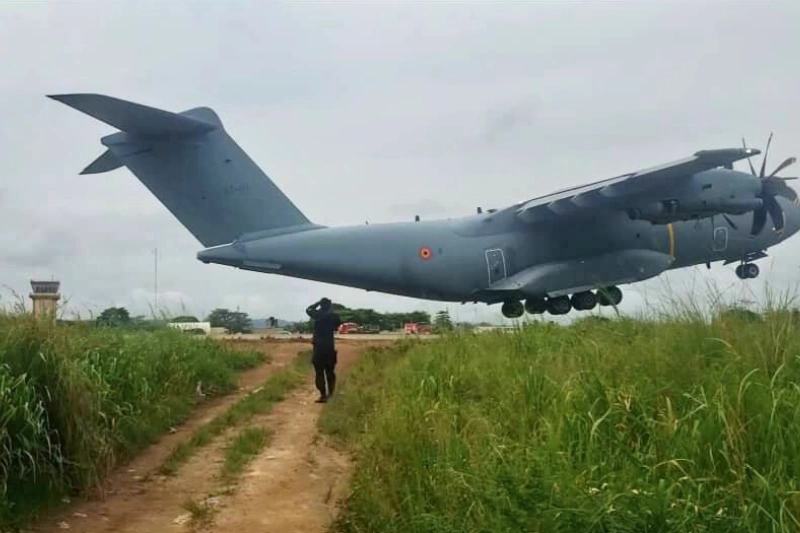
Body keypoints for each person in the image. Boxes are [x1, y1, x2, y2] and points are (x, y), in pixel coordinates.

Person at [305, 297, 342, 403]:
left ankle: (322, 395)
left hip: (318, 348)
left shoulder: (317, 315)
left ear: (321, 305)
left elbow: (308, 309)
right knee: (330, 372)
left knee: (319, 373)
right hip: (329, 347)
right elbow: (337, 326)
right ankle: (330, 394)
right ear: (330, 306)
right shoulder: (334, 316)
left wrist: (316, 303)